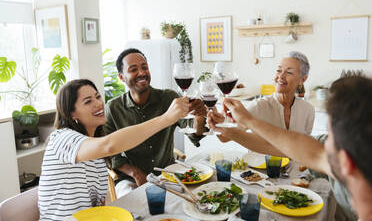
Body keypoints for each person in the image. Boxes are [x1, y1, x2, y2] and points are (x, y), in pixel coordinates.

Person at [209, 76, 372, 221]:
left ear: (346, 162)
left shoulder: (338, 160)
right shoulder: (353, 156)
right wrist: (234, 129)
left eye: (330, 135)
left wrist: (249, 121)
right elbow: (284, 145)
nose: (326, 143)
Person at [38, 79, 189, 221]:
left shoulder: (95, 152)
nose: (98, 103)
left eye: (97, 97)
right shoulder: (62, 138)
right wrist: (166, 118)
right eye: (88, 101)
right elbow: (109, 145)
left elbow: (99, 205)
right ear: (71, 113)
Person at [105, 48, 207, 197]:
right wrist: (136, 173)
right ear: (121, 77)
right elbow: (109, 154)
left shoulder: (169, 98)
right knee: (132, 205)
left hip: (169, 174)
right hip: (131, 179)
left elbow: (194, 133)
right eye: (134, 69)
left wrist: (199, 117)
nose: (141, 73)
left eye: (144, 67)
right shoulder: (113, 108)